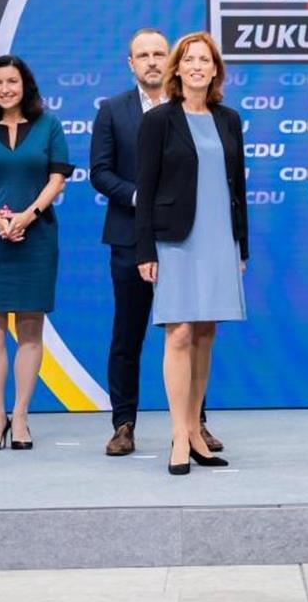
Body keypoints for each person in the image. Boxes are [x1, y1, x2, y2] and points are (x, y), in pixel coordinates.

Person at [91, 28, 224, 456]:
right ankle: (123, 424)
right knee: (128, 334)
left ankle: (193, 426)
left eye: (158, 53)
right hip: (132, 238)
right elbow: (100, 171)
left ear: (171, 60)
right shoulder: (112, 110)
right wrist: (143, 200)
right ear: (130, 63)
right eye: (142, 55)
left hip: (188, 241)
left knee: (193, 330)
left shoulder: (194, 107)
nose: (151, 60)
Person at [135, 31, 247, 476]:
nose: (198, 66)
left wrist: (242, 245)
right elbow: (146, 191)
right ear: (176, 69)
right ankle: (180, 433)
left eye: (206, 60)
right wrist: (146, 248)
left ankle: (198, 431)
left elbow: (238, 186)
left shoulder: (229, 119)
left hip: (221, 239)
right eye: (190, 60)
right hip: (175, 239)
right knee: (179, 333)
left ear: (216, 70)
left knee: (205, 334)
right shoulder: (159, 120)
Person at [0, 55, 73, 451]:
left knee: (29, 328)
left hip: (36, 236)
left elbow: (57, 178)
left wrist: (27, 216)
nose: (5, 89)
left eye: (12, 81)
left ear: (26, 85)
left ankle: (20, 417)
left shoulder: (49, 124)